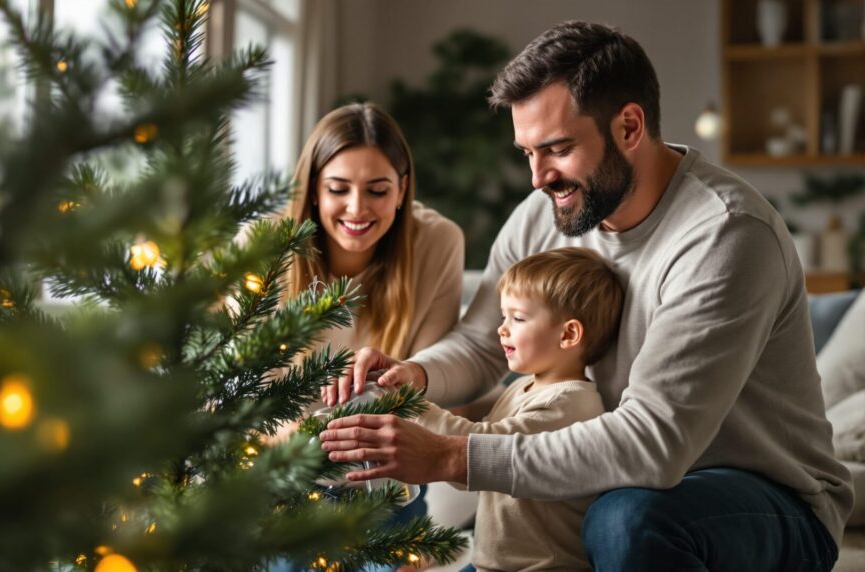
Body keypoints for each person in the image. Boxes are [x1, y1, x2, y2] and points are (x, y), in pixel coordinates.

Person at [318, 21, 853, 570]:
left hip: (767, 499)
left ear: (628, 126)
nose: (536, 177)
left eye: (556, 149)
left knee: (626, 518)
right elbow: (482, 345)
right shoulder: (545, 215)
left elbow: (654, 443)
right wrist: (412, 374)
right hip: (613, 483)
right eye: (527, 152)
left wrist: (455, 456)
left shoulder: (724, 234)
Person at [277, 102, 464, 572]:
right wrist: (296, 440)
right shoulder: (267, 251)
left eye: (377, 190)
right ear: (314, 191)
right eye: (338, 189)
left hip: (383, 490)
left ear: (402, 189)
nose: (357, 209)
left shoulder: (436, 243)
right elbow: (225, 400)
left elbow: (426, 390)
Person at [416, 247, 621, 571]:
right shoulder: (523, 387)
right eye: (503, 316)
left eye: (518, 318)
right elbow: (472, 472)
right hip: (491, 563)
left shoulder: (567, 405)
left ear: (568, 334)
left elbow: (477, 444)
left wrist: (413, 404)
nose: (502, 328)